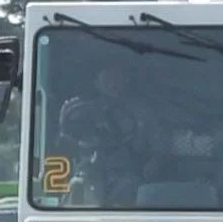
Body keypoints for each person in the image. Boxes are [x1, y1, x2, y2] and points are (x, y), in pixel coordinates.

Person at [57, 66, 164, 205]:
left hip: (130, 172)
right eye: (107, 79)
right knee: (78, 187)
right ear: (96, 82)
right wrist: (65, 126)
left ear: (126, 81)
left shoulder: (142, 111)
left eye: (117, 79)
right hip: (89, 169)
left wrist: (152, 165)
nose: (113, 84)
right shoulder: (79, 109)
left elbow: (161, 146)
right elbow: (64, 145)